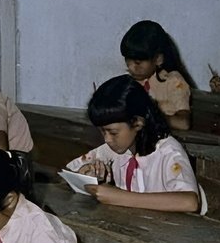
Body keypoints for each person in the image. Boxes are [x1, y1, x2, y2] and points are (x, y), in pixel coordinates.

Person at [66, 75, 201, 212]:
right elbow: (69, 172)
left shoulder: (168, 152)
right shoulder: (112, 150)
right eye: (102, 132)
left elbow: (189, 202)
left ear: (138, 123)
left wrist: (118, 196)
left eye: (113, 132)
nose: (107, 139)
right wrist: (86, 176)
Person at [120, 20, 192, 131]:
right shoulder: (131, 82)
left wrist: (151, 118)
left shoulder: (174, 82)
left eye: (138, 62)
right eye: (127, 60)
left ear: (158, 59)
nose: (131, 67)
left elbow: (184, 124)